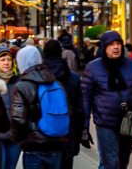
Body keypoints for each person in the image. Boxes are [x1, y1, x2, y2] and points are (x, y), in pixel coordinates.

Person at [81, 31, 132, 169]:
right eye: (111, 44)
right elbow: (85, 100)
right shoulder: (93, 68)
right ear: (104, 47)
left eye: (118, 44)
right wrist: (83, 128)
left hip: (128, 122)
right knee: (111, 163)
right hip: (105, 123)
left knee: (122, 162)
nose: (116, 47)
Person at [9, 46, 69, 169]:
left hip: (33, 145)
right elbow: (69, 111)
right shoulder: (56, 82)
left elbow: (19, 119)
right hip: (56, 143)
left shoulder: (21, 86)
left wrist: (17, 139)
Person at [41, 40, 88, 169]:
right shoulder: (72, 77)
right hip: (67, 134)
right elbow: (80, 111)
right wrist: (77, 137)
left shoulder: (38, 76)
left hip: (43, 135)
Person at [0, 49, 23, 169]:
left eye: (9, 60)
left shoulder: (19, 81)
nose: (6, 63)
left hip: (15, 135)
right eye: (2, 60)